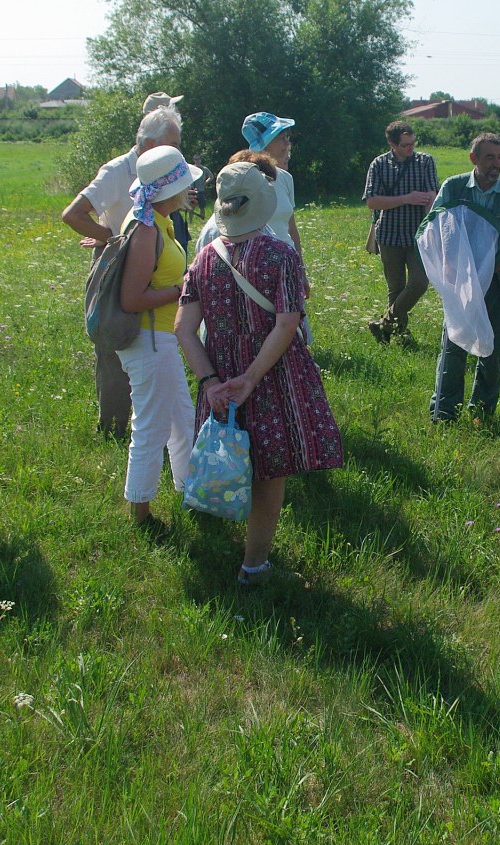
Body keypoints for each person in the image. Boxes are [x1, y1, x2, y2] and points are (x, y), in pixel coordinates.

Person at [176, 162, 343, 586]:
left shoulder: (203, 259)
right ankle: (254, 566)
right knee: (270, 472)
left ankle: (225, 544)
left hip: (220, 375)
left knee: (231, 457)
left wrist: (211, 382)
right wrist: (249, 379)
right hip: (272, 374)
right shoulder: (280, 254)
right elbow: (287, 324)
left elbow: (182, 328)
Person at [61, 92, 185, 439]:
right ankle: (113, 430)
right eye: (173, 145)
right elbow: (72, 214)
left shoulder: (160, 172)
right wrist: (114, 240)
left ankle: (146, 426)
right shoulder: (117, 171)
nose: (178, 153)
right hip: (117, 274)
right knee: (114, 347)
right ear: (149, 145)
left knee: (145, 349)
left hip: (152, 269)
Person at [115, 144, 203, 527]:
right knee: (151, 427)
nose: (190, 191)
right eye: (185, 185)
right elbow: (132, 298)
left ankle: (191, 491)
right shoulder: (147, 229)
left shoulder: (156, 219)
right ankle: (141, 513)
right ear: (171, 190)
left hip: (160, 338)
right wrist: (182, 288)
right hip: (149, 340)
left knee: (182, 419)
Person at [417, 133, 500, 424]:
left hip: (499, 282)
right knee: (453, 345)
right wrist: (458, 273)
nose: (497, 164)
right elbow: (436, 229)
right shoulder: (453, 187)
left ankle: (481, 412)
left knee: (490, 349)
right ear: (473, 158)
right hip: (460, 283)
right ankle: (444, 412)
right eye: (490, 157)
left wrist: (482, 275)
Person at [363, 120, 438, 344]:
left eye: (413, 143)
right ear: (392, 144)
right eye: (405, 145)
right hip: (389, 234)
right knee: (395, 288)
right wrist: (407, 198)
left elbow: (432, 195)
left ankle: (383, 323)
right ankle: (396, 333)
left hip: (418, 235)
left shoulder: (425, 161)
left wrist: (431, 221)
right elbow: (372, 201)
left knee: (420, 282)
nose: (410, 148)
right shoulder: (379, 164)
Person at [241, 111, 303, 256]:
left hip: (287, 262)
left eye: (287, 137)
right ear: (264, 147)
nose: (288, 144)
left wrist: (300, 266)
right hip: (258, 262)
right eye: (282, 138)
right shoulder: (244, 179)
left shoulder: (286, 178)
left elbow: (291, 229)